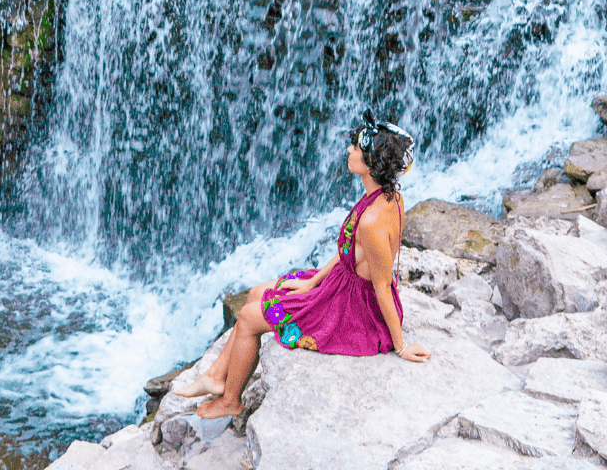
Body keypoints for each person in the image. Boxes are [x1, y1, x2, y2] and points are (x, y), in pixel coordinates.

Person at [178, 112, 431, 419]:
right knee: (258, 292)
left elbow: (380, 286)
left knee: (246, 317)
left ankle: (230, 401)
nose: (349, 151)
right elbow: (352, 249)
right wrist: (313, 282)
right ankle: (217, 377)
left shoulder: (373, 221)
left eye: (355, 149)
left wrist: (400, 345)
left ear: (372, 164)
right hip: (342, 283)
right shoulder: (387, 195)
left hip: (354, 314)